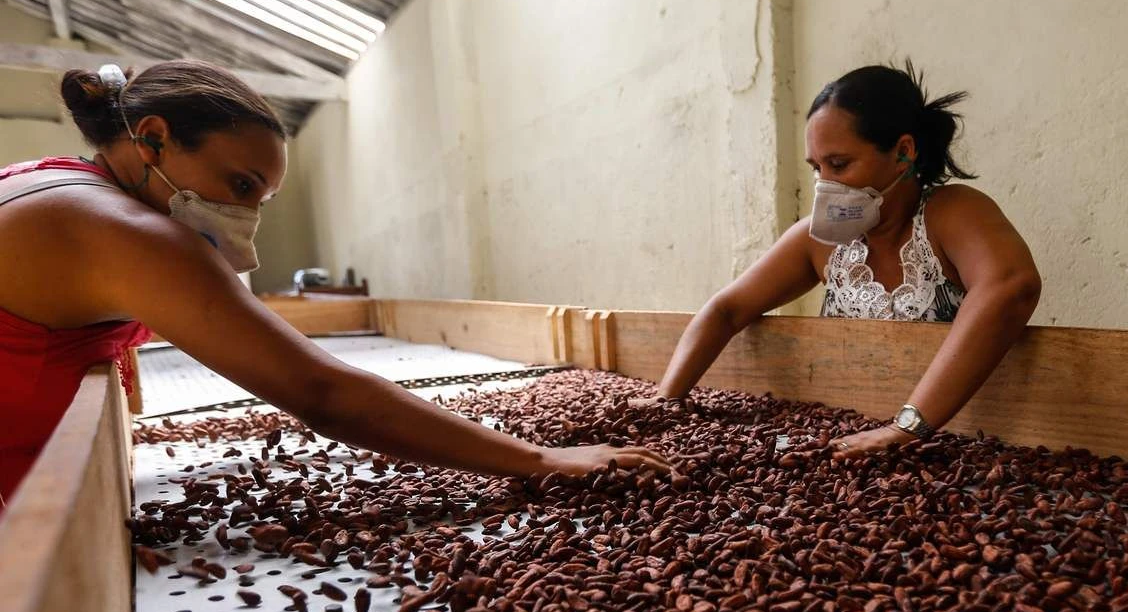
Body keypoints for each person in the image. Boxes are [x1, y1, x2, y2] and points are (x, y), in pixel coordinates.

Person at [0, 60, 668, 507]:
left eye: (260, 198)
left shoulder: (53, 180)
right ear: (152, 139)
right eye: (240, 184)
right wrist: (540, 460)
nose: (245, 213)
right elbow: (323, 394)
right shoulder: (131, 233)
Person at [636, 62, 1042, 456]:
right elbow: (726, 310)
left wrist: (906, 428)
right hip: (841, 440)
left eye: (839, 164)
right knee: (772, 464)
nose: (824, 184)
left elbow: (1011, 286)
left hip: (954, 442)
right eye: (817, 168)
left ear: (903, 151)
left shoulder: (951, 212)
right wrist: (666, 400)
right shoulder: (820, 241)